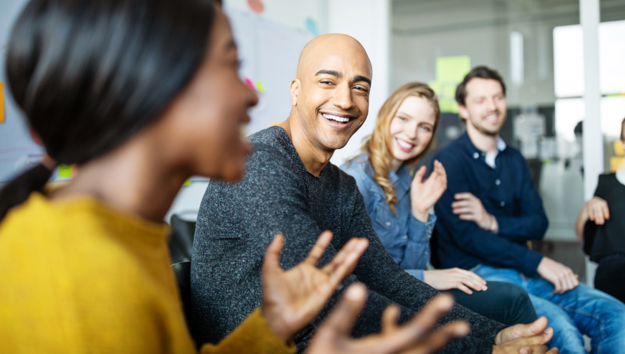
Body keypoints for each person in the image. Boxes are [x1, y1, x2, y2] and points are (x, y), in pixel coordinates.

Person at [0, 0, 473, 353]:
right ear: (156, 88)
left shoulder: (123, 238)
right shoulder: (79, 278)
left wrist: (269, 332)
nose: (250, 95)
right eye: (230, 66)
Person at [192, 34, 558, 354]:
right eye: (328, 82)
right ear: (296, 90)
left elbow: (388, 278)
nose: (346, 100)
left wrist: (492, 335)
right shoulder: (261, 163)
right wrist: (481, 348)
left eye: (360, 87)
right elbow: (333, 296)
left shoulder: (340, 185)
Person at [431, 65, 625, 354]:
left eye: (498, 97)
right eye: (480, 100)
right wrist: (538, 262)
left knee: (618, 316)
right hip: (481, 276)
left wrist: (493, 222)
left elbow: (538, 223)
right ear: (463, 109)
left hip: (524, 270)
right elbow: (469, 238)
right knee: (562, 331)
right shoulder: (449, 162)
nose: (492, 107)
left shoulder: (514, 159)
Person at [340, 81, 537, 326]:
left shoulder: (406, 180)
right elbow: (358, 275)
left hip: (403, 293)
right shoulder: (356, 180)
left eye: (424, 127)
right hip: (374, 303)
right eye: (403, 118)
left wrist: (420, 211)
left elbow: (411, 266)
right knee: (513, 300)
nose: (412, 134)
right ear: (385, 116)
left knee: (511, 300)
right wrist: (430, 277)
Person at [576, 111, 625, 354]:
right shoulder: (607, 183)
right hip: (615, 273)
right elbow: (582, 236)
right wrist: (589, 207)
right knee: (615, 321)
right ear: (622, 144)